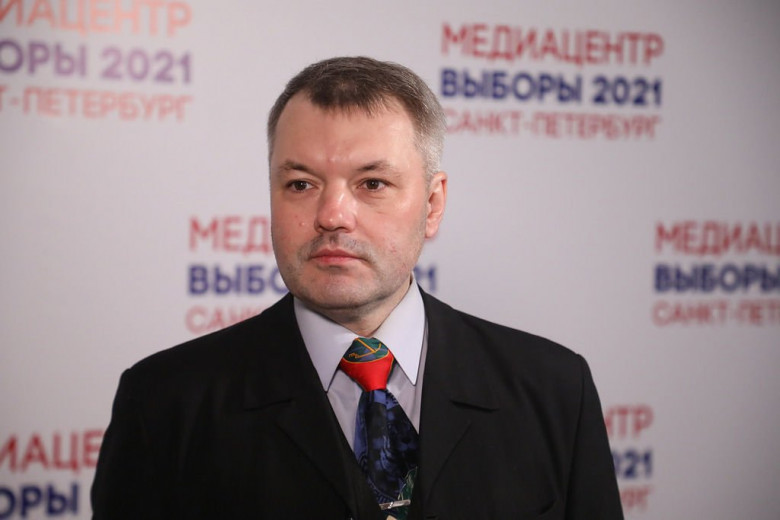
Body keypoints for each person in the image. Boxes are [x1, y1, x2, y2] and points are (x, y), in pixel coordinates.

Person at [91, 56, 623, 519]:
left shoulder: (554, 390)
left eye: (372, 184)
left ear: (433, 204)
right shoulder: (163, 404)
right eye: (301, 184)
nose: (332, 215)